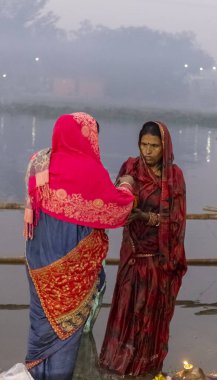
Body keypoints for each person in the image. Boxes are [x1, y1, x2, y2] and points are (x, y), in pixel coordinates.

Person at [23, 112, 134, 380]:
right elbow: (117, 210)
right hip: (72, 268)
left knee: (42, 325)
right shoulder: (90, 172)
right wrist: (127, 186)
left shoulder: (39, 162)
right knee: (65, 332)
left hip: (38, 261)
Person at [99, 120, 187, 377]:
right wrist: (122, 202)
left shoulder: (174, 176)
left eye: (154, 146)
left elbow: (175, 219)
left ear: (165, 147)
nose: (147, 151)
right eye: (143, 145)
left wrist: (144, 217)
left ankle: (147, 365)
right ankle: (119, 361)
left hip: (158, 258)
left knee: (150, 312)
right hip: (133, 252)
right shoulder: (130, 167)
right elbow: (117, 198)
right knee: (127, 306)